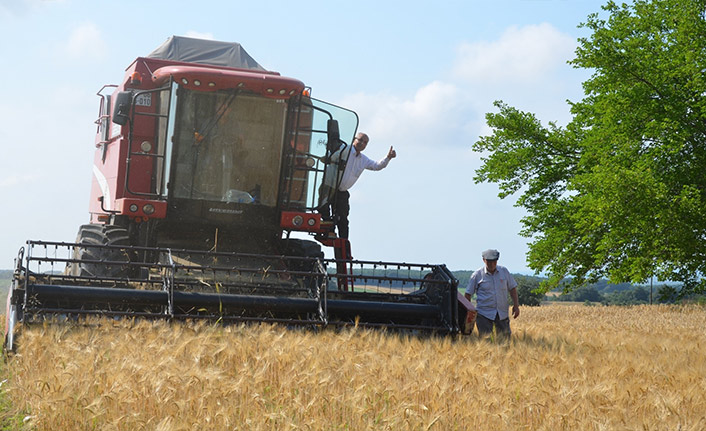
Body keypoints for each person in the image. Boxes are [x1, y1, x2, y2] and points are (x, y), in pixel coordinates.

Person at [323, 132, 396, 239]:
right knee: (324, 211)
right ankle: (329, 233)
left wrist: (388, 157)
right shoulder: (344, 150)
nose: (362, 143)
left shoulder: (363, 160)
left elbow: (377, 166)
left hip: (342, 192)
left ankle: (344, 244)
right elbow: (330, 158)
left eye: (365, 142)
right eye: (360, 140)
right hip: (329, 187)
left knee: (343, 219)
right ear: (354, 139)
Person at [464, 249, 520, 337]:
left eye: (494, 261)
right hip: (484, 314)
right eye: (488, 262)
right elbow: (468, 294)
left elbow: (512, 288)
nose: (491, 264)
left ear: (497, 260)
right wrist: (468, 312)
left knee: (505, 342)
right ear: (483, 260)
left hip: (502, 313)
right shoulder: (477, 275)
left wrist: (516, 306)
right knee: (486, 342)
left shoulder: (504, 271)